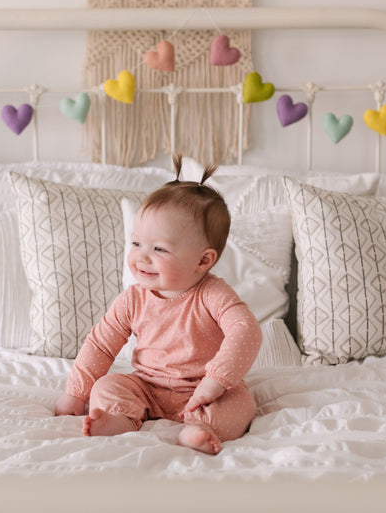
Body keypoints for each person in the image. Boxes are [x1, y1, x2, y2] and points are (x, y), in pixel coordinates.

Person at [54, 154, 262, 455]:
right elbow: (100, 346)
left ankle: (200, 429)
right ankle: (118, 419)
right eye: (136, 243)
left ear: (204, 260)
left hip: (203, 390)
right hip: (146, 387)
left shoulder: (213, 294)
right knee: (108, 387)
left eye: (159, 249)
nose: (141, 256)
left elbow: (246, 331)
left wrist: (216, 381)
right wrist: (76, 394)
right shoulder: (132, 299)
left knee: (241, 403)